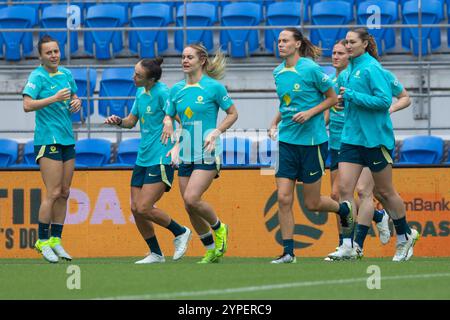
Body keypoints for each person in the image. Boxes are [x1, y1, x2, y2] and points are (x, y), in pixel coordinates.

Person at [267, 28, 353, 264]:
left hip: (312, 143)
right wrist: (274, 122)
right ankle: (288, 253)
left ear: (297, 44)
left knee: (312, 203)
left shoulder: (311, 69)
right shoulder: (277, 72)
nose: (280, 44)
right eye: (279, 41)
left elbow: (332, 98)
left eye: (285, 41)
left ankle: (344, 210)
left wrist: (310, 113)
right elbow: (286, 103)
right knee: (284, 198)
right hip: (286, 142)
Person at [336, 28, 419, 262]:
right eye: (346, 42)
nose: (348, 46)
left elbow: (383, 101)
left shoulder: (372, 68)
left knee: (384, 192)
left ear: (364, 44)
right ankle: (347, 244)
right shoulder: (348, 70)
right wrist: (343, 102)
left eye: (352, 42)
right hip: (351, 138)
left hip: (375, 139)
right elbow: (348, 100)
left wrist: (352, 96)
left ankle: (404, 236)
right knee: (344, 190)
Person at [104, 58, 192, 264]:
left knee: (144, 206)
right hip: (142, 158)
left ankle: (181, 231)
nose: (133, 78)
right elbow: (131, 122)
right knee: (135, 208)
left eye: (138, 75)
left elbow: (184, 122)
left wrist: (176, 143)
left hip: (161, 157)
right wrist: (118, 121)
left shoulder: (163, 93)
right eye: (134, 73)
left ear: (151, 79)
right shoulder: (140, 92)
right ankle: (156, 253)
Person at [166, 44, 238, 264]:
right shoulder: (176, 89)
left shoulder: (213, 88)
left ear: (202, 60)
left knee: (191, 197)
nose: (185, 60)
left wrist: (216, 131)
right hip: (185, 152)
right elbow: (169, 115)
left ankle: (219, 227)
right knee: (189, 206)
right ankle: (210, 249)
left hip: (207, 152)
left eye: (190, 57)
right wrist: (168, 123)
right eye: (183, 57)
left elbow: (233, 114)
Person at [22, 35, 81, 263]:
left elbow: (74, 96)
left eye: (56, 51)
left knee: (65, 192)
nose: (54, 55)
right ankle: (42, 240)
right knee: (53, 192)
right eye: (49, 52)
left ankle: (56, 240)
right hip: (48, 139)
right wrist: (54, 98)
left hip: (67, 138)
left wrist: (77, 102)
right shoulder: (37, 76)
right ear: (41, 56)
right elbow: (27, 105)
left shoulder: (66, 74)